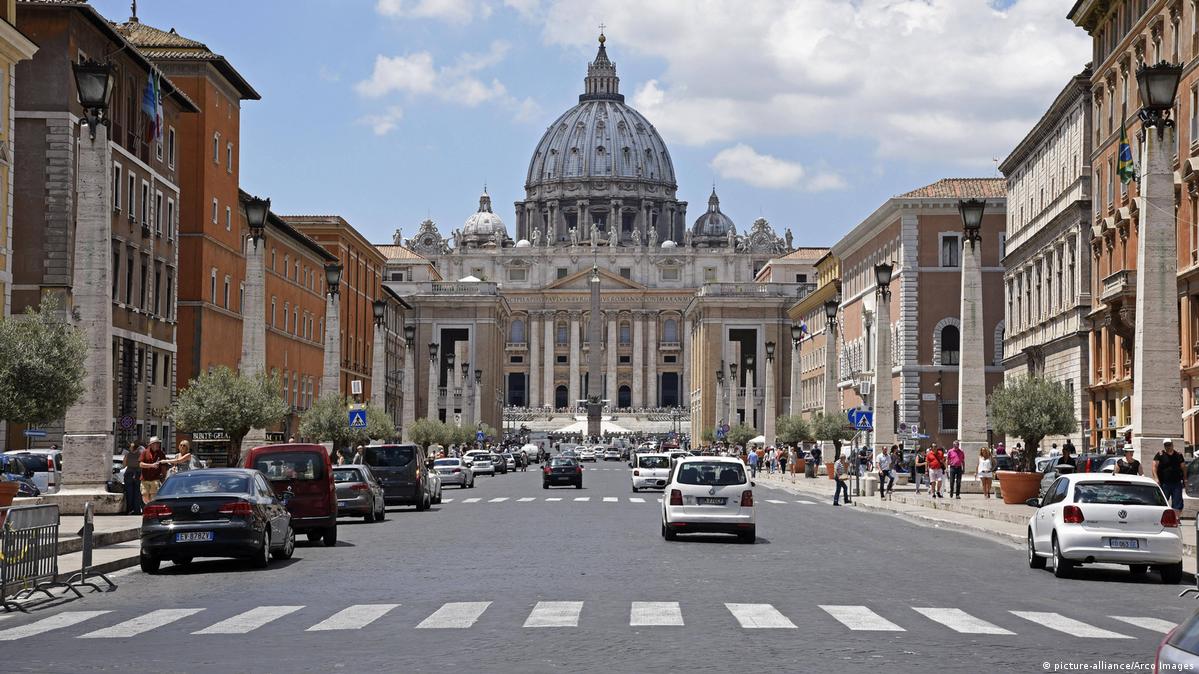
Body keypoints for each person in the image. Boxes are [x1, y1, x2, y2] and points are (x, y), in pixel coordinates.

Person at [1153, 439, 1187, 514]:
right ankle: (1161, 518)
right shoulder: (1160, 455)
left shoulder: (1178, 455)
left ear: (1172, 444)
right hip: (1164, 483)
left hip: (1176, 483)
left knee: (1177, 503)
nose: (1168, 447)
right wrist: (1156, 478)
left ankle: (1176, 519)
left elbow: (1183, 467)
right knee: (1162, 502)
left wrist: (1185, 479)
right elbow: (1154, 467)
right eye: (1166, 445)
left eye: (1169, 444)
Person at [138, 436, 168, 503]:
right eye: (155, 443)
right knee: (145, 495)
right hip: (145, 479)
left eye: (158, 443)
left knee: (154, 496)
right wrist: (151, 465)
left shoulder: (161, 453)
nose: (157, 445)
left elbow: (164, 467)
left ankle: (151, 509)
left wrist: (164, 477)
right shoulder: (145, 452)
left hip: (155, 479)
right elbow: (141, 464)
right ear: (151, 444)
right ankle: (148, 506)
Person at [122, 442, 142, 515]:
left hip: (129, 474)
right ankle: (136, 510)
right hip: (137, 474)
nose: (130, 448)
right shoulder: (140, 454)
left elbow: (124, 465)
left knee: (129, 493)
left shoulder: (127, 454)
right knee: (137, 493)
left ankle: (130, 509)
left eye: (131, 446)